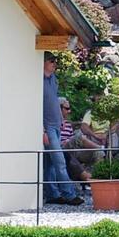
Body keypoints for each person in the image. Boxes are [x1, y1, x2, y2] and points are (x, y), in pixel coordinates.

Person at [41, 53, 84, 205]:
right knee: (59, 162)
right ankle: (69, 195)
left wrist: (61, 120)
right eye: (51, 61)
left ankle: (52, 194)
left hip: (56, 125)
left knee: (50, 163)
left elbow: (53, 99)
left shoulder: (53, 79)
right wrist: (42, 130)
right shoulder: (37, 79)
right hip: (47, 127)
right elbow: (35, 105)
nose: (54, 64)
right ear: (43, 62)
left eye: (55, 61)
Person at [58, 98, 92, 184]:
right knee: (79, 137)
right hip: (60, 148)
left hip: (70, 149)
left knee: (96, 153)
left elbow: (71, 138)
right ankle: (86, 177)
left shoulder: (68, 124)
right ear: (59, 108)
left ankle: (99, 175)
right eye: (67, 108)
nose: (69, 111)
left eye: (69, 108)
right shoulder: (53, 123)